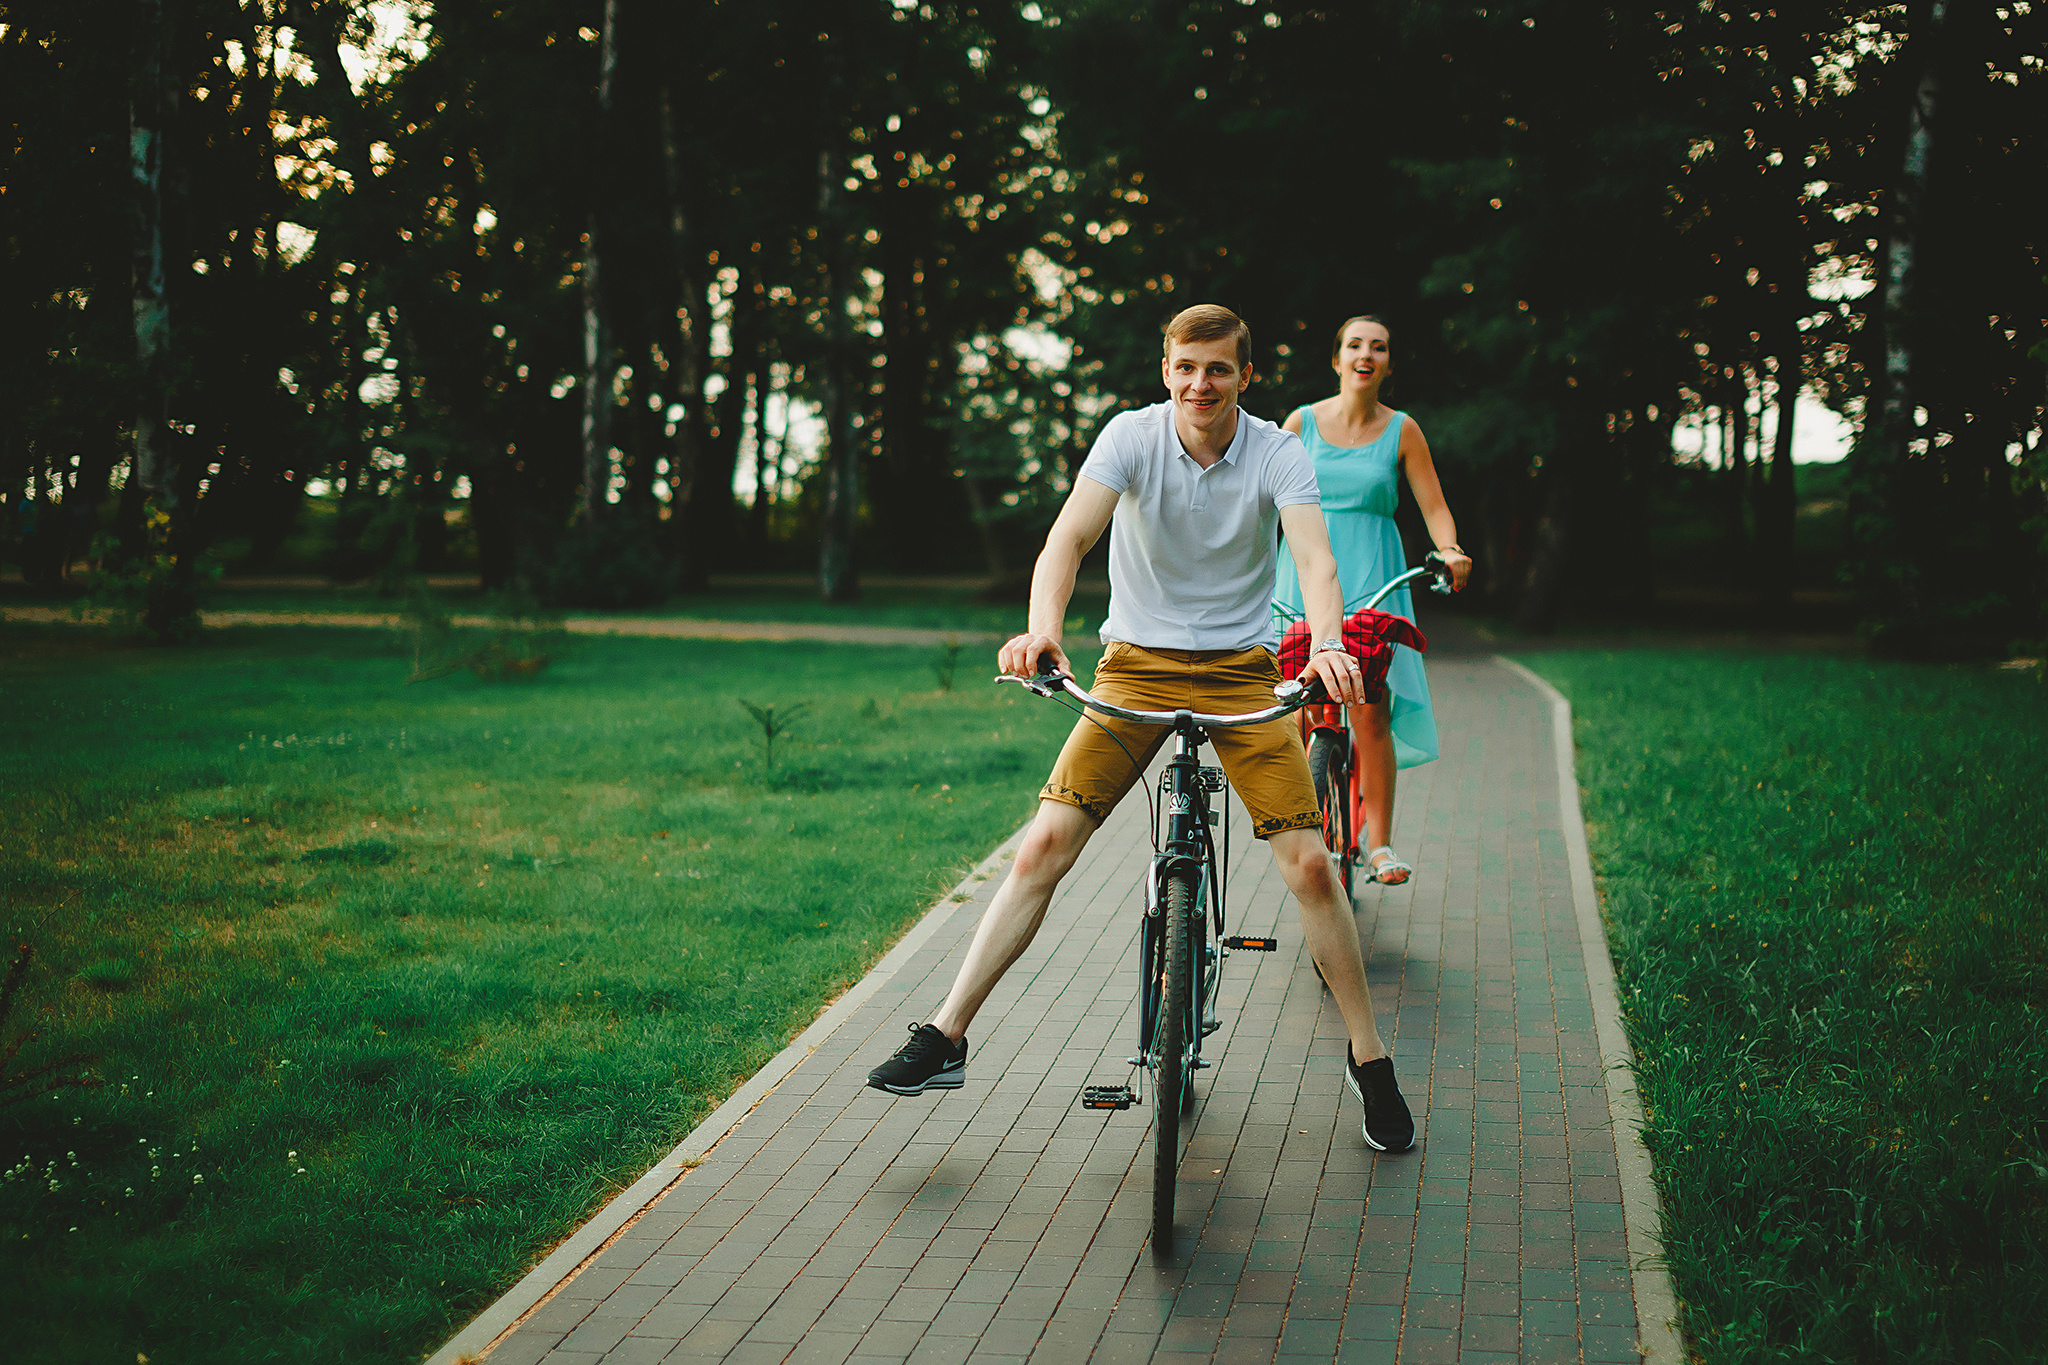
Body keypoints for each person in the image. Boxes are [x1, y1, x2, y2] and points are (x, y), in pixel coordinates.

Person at [865, 304, 1415, 1154]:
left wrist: (1332, 644)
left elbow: (1315, 558)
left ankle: (1369, 1057)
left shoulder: (1277, 449)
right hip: (1133, 666)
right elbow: (1069, 538)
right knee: (1042, 845)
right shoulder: (1129, 437)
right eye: (1186, 367)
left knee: (1309, 863)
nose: (1201, 384)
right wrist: (1043, 627)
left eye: (1219, 370)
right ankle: (946, 1035)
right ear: (1166, 370)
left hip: (1242, 670)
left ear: (1245, 376)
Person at [1273, 315, 1472, 887]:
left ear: (1387, 363)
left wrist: (1450, 549)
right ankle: (1311, 822)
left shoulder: (1402, 430)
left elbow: (1433, 506)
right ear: (1336, 360)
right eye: (1355, 345)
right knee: (1305, 705)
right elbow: (1266, 501)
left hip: (1372, 579)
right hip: (1303, 579)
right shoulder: (1300, 424)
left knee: (1369, 709)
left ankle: (1378, 841)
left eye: (1378, 347)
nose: (1366, 354)